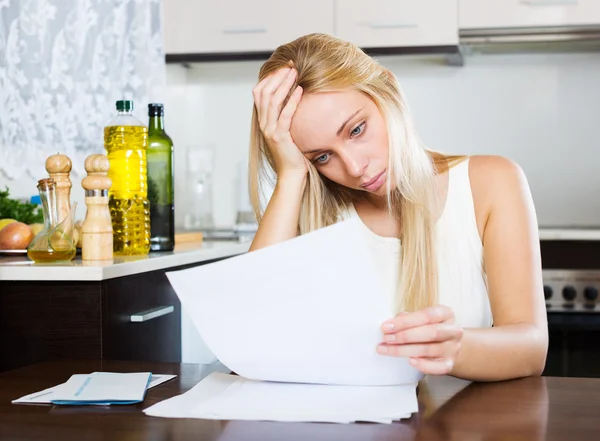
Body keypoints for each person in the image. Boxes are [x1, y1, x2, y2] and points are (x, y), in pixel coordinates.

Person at [247, 33, 548, 382]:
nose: (355, 167)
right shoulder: (307, 209)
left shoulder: (492, 182)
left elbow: (531, 348)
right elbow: (251, 340)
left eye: (357, 130)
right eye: (323, 157)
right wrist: (291, 174)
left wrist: (456, 348)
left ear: (388, 91)